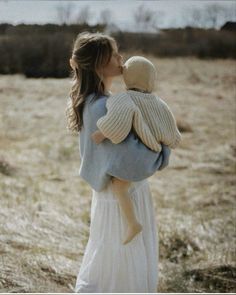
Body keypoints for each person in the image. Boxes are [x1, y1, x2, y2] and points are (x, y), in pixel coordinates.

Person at [67, 31, 171, 293]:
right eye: (114, 54)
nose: (121, 57)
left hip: (119, 196)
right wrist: (161, 153)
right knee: (120, 264)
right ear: (100, 63)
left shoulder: (100, 102)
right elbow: (127, 158)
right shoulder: (101, 107)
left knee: (115, 259)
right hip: (122, 199)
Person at [91, 55, 182, 245]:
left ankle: (132, 224)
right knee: (126, 185)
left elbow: (118, 125)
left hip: (136, 162)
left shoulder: (124, 99)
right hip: (154, 158)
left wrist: (101, 133)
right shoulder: (159, 103)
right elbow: (172, 133)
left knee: (119, 186)